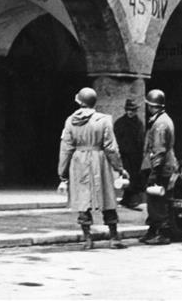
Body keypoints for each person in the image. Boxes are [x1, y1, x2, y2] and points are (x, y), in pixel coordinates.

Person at [58, 87, 129, 250]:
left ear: (79, 101)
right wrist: (119, 168)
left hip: (79, 161)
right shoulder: (104, 120)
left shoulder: (70, 121)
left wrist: (62, 174)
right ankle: (113, 238)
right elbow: (111, 148)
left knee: (83, 200)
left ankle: (88, 239)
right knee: (107, 198)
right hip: (99, 161)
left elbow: (65, 149)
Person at [139, 88, 178, 245]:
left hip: (161, 167)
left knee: (158, 201)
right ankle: (153, 230)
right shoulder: (161, 119)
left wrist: (154, 172)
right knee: (154, 200)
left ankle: (163, 233)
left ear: (151, 106)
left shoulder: (160, 123)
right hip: (163, 164)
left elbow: (159, 149)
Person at [114, 98, 144, 209]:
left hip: (135, 155)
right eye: (129, 110)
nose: (130, 112)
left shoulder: (139, 123)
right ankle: (127, 198)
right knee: (126, 176)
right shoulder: (120, 123)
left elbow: (141, 140)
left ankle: (130, 199)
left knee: (134, 177)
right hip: (124, 155)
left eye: (133, 110)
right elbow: (116, 139)